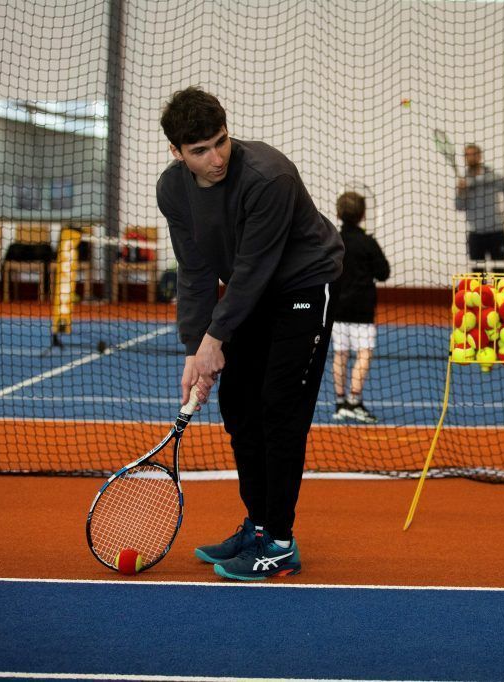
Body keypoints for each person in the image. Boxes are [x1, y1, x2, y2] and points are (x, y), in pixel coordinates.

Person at [156, 86, 344, 581]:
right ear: (177, 153)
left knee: (280, 410)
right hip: (251, 294)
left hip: (303, 286)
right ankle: (258, 526)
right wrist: (197, 349)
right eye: (199, 151)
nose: (216, 158)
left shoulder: (268, 176)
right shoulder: (172, 190)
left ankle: (280, 543)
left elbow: (253, 270)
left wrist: (215, 343)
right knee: (239, 408)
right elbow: (196, 271)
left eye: (221, 141)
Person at [330, 190, 390, 423]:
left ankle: (340, 402)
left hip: (337, 309)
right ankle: (354, 401)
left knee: (340, 354)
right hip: (362, 309)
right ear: (363, 215)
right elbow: (383, 273)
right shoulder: (368, 242)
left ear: (338, 213)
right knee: (363, 353)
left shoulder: (332, 239)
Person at [454, 143, 504, 269]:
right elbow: (459, 207)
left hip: (497, 233)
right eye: (467, 155)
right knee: (478, 274)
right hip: (476, 235)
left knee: (500, 272)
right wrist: (460, 192)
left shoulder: (494, 177)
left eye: (473, 154)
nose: (470, 158)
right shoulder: (463, 182)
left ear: (479, 156)